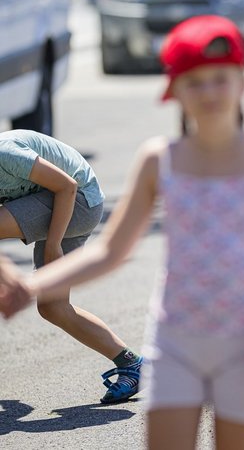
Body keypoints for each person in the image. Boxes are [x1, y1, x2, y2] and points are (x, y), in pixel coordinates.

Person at [1, 16, 244, 450]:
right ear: (174, 90)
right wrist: (31, 286)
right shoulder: (158, 160)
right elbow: (112, 250)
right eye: (194, 82)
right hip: (175, 343)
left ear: (241, 81)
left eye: (219, 79)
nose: (208, 92)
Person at [0, 129, 143, 403]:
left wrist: (54, 244)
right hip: (58, 203)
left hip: (79, 201)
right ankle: (132, 364)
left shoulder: (6, 155)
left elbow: (67, 186)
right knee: (53, 308)